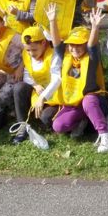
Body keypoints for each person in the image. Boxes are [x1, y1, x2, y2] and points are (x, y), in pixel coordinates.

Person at [46, 8, 108, 153]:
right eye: (72, 44)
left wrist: (95, 27)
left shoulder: (91, 57)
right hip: (74, 103)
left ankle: (105, 134)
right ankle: (83, 120)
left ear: (85, 45)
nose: (74, 48)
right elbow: (57, 43)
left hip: (94, 101)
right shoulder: (65, 57)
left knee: (88, 101)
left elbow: (92, 45)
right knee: (58, 126)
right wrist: (52, 21)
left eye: (79, 44)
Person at [14, 11, 63, 145]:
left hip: (54, 96)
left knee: (45, 117)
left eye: (34, 50)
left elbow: (57, 79)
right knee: (19, 87)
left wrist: (43, 98)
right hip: (38, 93)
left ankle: (50, 120)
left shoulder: (53, 55)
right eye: (28, 50)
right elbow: (27, 74)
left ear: (43, 43)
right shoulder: (27, 55)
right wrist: (34, 85)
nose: (31, 54)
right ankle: (22, 126)